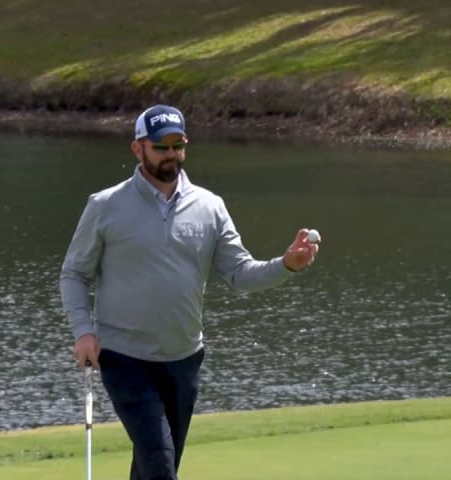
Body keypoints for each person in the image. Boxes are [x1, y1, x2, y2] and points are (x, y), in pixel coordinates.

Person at [60, 104, 319, 480]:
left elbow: (239, 273)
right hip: (124, 359)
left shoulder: (210, 207)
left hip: (183, 360)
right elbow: (74, 273)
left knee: (153, 467)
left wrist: (287, 265)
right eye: (161, 146)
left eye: (178, 145)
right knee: (161, 464)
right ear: (138, 148)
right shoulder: (105, 206)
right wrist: (83, 331)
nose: (171, 155)